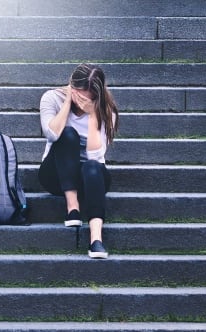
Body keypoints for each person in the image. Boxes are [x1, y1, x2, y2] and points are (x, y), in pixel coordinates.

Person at [38, 63, 119, 259]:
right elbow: (51, 134)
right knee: (67, 134)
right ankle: (72, 208)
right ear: (71, 85)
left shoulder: (107, 111)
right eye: (77, 92)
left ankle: (96, 239)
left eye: (86, 96)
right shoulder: (52, 98)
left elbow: (95, 157)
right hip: (56, 174)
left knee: (92, 166)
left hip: (91, 177)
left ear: (96, 96)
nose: (80, 99)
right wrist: (66, 103)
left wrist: (92, 116)